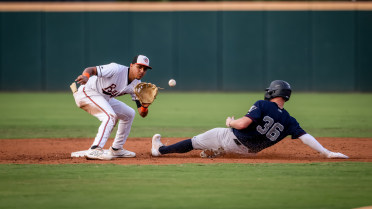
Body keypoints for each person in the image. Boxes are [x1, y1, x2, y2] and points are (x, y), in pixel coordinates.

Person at [151, 80, 349, 159]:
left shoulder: (263, 105)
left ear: (274, 92)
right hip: (249, 153)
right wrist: (327, 152)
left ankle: (160, 151)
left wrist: (230, 122)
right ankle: (217, 152)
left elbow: (244, 124)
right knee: (227, 141)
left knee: (196, 141)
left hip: (232, 138)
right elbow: (306, 137)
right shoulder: (289, 120)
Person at [73, 55, 153, 160]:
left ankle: (117, 149)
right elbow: (91, 69)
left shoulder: (137, 85)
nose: (142, 71)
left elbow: (142, 114)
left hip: (104, 98)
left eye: (145, 69)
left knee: (129, 113)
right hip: (87, 92)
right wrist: (86, 76)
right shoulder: (116, 69)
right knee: (110, 116)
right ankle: (95, 149)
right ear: (131, 65)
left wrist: (145, 106)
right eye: (139, 67)